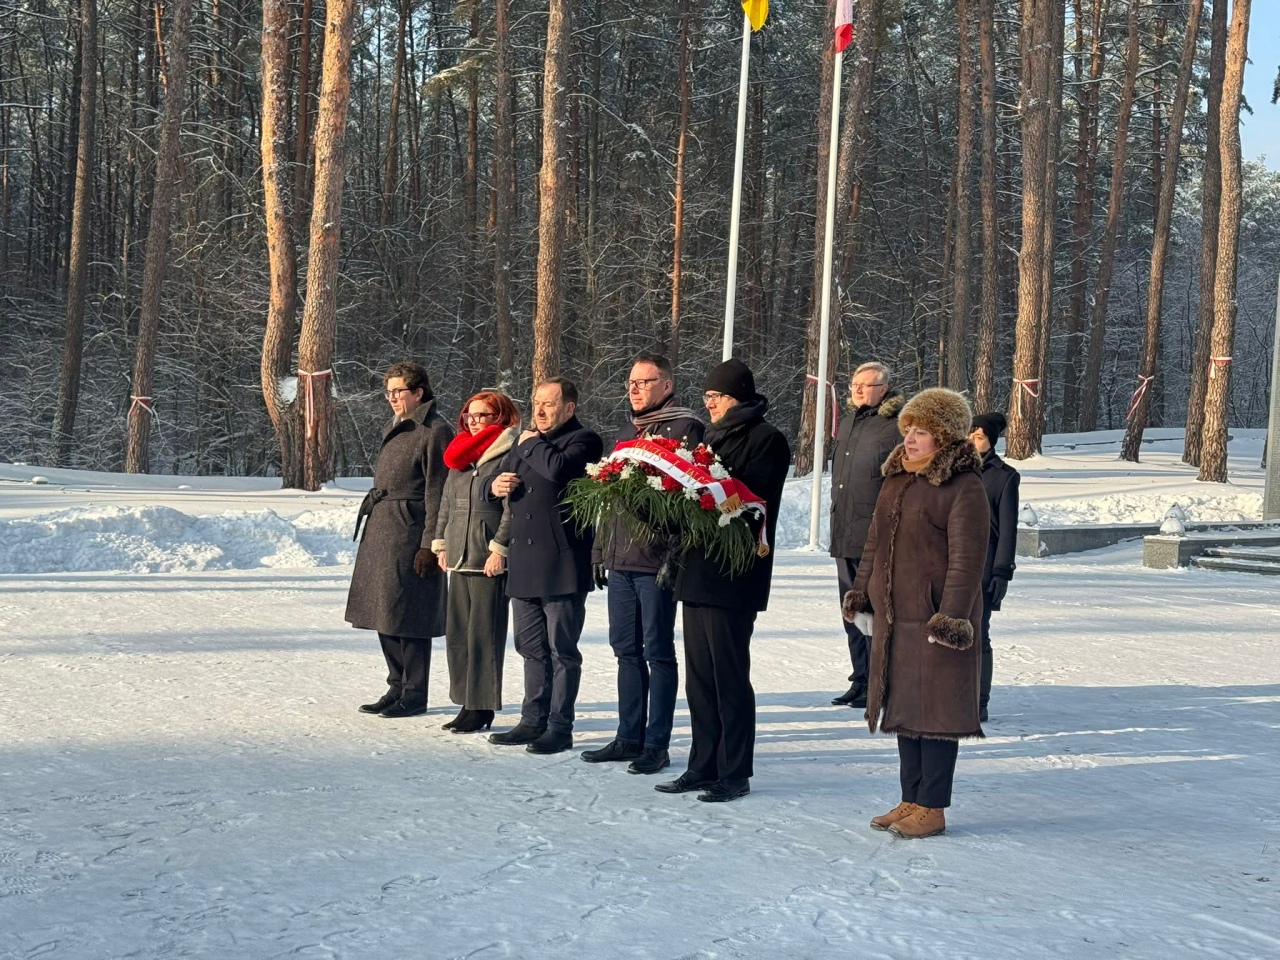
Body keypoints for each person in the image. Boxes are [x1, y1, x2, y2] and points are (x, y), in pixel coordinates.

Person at [842, 387, 988, 838]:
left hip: (936, 618)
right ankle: (911, 797)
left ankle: (933, 807)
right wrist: (862, 596)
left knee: (938, 713)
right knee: (905, 708)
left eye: (921, 431)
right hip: (896, 617)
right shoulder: (897, 480)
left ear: (944, 437)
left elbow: (968, 559)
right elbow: (873, 544)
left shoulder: (963, 486)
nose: (909, 439)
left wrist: (952, 617)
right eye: (908, 430)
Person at [656, 358, 791, 803]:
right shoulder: (707, 438)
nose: (708, 404)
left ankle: (734, 770)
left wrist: (703, 488)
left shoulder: (767, 440)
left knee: (728, 675)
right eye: (707, 398)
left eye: (714, 397)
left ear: (735, 398)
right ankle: (702, 763)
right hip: (697, 570)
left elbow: (750, 501)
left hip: (735, 573)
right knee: (700, 678)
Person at [582, 354, 704, 775]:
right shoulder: (626, 430)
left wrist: (675, 555)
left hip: (656, 561)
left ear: (666, 385)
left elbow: (690, 502)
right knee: (625, 652)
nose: (634, 389)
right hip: (619, 559)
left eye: (643, 382)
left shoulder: (686, 429)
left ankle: (657, 742)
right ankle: (628, 735)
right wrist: (599, 551)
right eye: (630, 382)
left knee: (658, 652)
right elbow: (607, 493)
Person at [487, 378, 603, 755]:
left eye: (548, 404)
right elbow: (500, 475)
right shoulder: (525, 442)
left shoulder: (584, 440)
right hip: (523, 560)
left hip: (561, 561)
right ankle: (531, 719)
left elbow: (557, 471)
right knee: (529, 646)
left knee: (561, 650)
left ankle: (559, 726)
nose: (539, 411)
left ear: (569, 408)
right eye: (536, 402)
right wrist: (496, 483)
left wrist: (531, 441)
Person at [346, 362, 453, 718]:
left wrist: (430, 542)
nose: (391, 398)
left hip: (410, 530)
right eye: (388, 392)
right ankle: (396, 685)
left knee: (410, 615)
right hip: (384, 528)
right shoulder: (395, 425)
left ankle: (415, 692)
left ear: (418, 393)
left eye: (398, 391)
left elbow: (439, 490)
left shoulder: (434, 430)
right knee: (384, 611)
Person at [431, 391, 522, 734]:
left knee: (483, 635)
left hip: (487, 558)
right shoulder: (460, 453)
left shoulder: (508, 453)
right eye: (469, 414)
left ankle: (481, 706)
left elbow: (513, 508)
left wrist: (500, 548)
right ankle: (465, 700)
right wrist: (440, 542)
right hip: (458, 555)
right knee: (458, 635)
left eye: (482, 415)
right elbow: (445, 502)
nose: (473, 420)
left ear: (499, 416)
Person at [827, 362, 903, 709]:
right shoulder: (848, 422)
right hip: (845, 533)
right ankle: (860, 678)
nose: (856, 390)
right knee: (852, 613)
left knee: (876, 613)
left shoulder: (896, 427)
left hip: (876, 538)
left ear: (883, 388)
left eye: (865, 385)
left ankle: (880, 681)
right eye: (854, 385)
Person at [968, 412, 1020, 723]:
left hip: (985, 562)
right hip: (949, 562)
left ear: (990, 440)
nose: (972, 441)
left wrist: (1002, 572)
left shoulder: (1005, 476)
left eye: (979, 436)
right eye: (969, 434)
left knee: (977, 633)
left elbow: (1009, 530)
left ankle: (979, 701)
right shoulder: (952, 468)